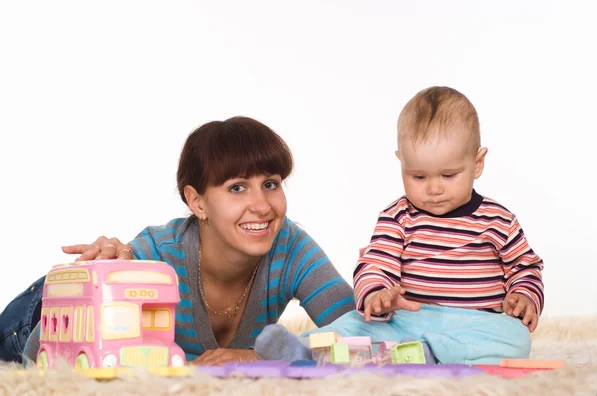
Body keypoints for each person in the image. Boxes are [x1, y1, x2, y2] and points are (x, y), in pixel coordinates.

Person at [0, 116, 355, 366]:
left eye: (271, 183)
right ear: (197, 201)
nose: (262, 206)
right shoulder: (156, 257)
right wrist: (100, 278)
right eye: (237, 188)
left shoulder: (290, 247)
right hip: (34, 316)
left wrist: (259, 354)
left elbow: (357, 330)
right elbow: (42, 353)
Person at [254, 86, 544, 365]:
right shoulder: (398, 217)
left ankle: (433, 354)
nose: (434, 189)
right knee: (352, 323)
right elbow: (374, 263)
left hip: (473, 324)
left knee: (515, 337)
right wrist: (378, 294)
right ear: (401, 162)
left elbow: (525, 267)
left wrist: (524, 296)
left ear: (477, 163)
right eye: (419, 176)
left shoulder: (499, 220)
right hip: (406, 322)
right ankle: (301, 349)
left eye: (448, 175)